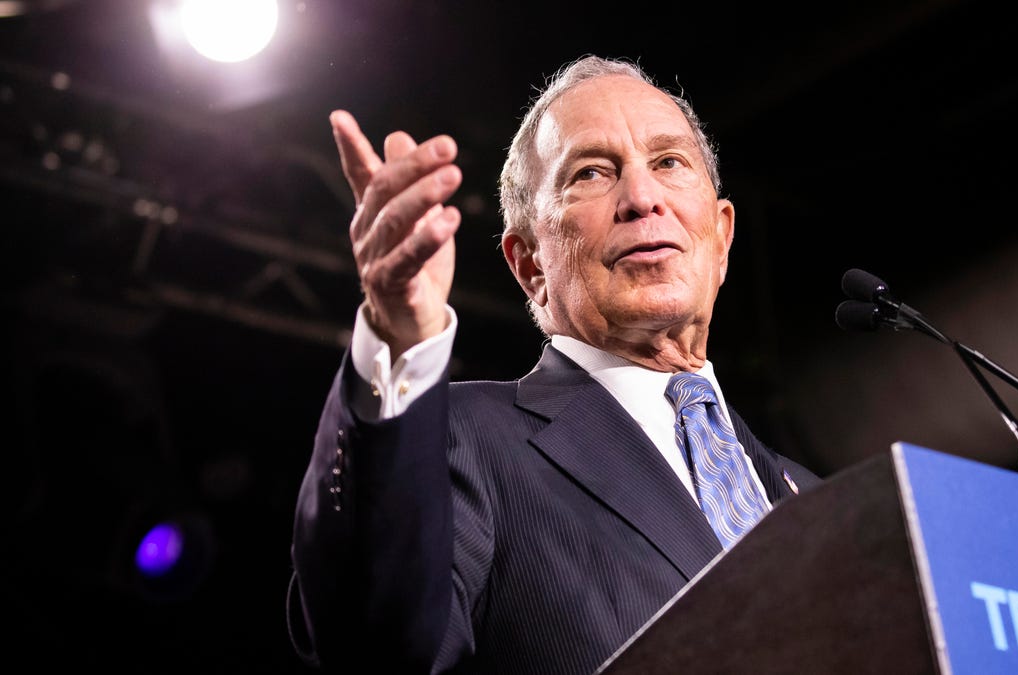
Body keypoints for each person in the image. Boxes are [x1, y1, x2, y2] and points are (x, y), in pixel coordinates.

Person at [286, 54, 823, 674]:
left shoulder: (811, 495)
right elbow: (377, 646)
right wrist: (396, 336)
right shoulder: (464, 438)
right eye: (591, 173)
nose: (643, 198)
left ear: (722, 238)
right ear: (530, 265)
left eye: (669, 162)